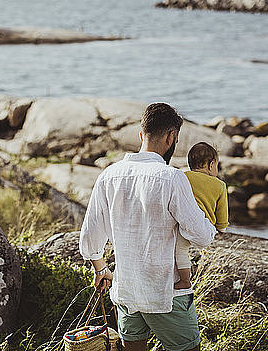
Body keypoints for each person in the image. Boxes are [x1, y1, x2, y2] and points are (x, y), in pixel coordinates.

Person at [79, 103, 217, 351]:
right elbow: (202, 237)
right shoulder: (172, 178)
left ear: (142, 135)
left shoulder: (108, 176)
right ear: (171, 137)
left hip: (127, 292)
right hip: (166, 294)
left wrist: (101, 270)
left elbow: (90, 238)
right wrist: (209, 221)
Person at [175, 142, 229, 290]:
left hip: (183, 223)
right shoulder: (220, 185)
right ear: (211, 165)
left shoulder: (184, 177)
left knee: (180, 251)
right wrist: (222, 228)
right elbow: (222, 211)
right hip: (205, 228)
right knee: (185, 249)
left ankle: (184, 280)